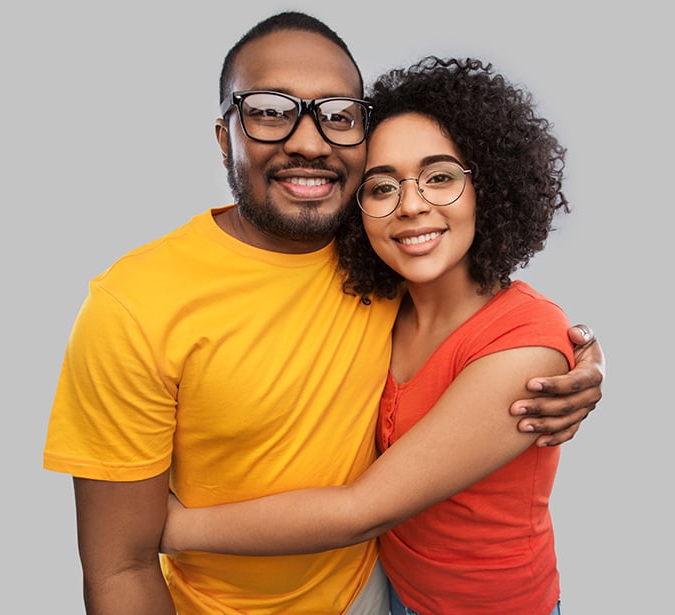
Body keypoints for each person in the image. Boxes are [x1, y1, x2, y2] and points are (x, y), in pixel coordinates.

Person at [43, 11, 604, 615]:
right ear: (223, 134)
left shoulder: (379, 262)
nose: (309, 142)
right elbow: (117, 568)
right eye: (267, 109)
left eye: (337, 116)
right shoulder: (139, 305)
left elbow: (490, 321)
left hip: (389, 593)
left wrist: (579, 359)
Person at [161, 54, 576, 614]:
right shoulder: (381, 304)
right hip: (386, 590)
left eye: (440, 177)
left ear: (490, 186)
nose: (410, 206)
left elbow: (364, 510)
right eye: (381, 188)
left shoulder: (524, 346)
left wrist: (171, 527)